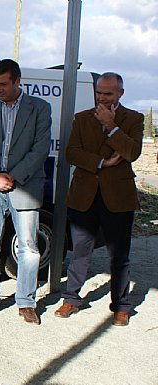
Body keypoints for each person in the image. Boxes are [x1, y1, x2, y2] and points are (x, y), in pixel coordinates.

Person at [57, 73, 144, 327]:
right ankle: (71, 299)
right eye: (99, 93)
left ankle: (121, 306)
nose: (102, 98)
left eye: (108, 93)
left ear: (120, 93)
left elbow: (132, 152)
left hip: (118, 198)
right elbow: (72, 153)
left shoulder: (134, 119)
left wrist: (112, 127)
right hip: (85, 196)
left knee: (119, 256)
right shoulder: (82, 118)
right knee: (80, 252)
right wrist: (102, 162)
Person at [0, 58, 51, 325]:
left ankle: (26, 302)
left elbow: (40, 149)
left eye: (4, 84)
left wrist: (12, 177)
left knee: (28, 247)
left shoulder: (39, 108)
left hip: (24, 187)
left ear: (18, 81)